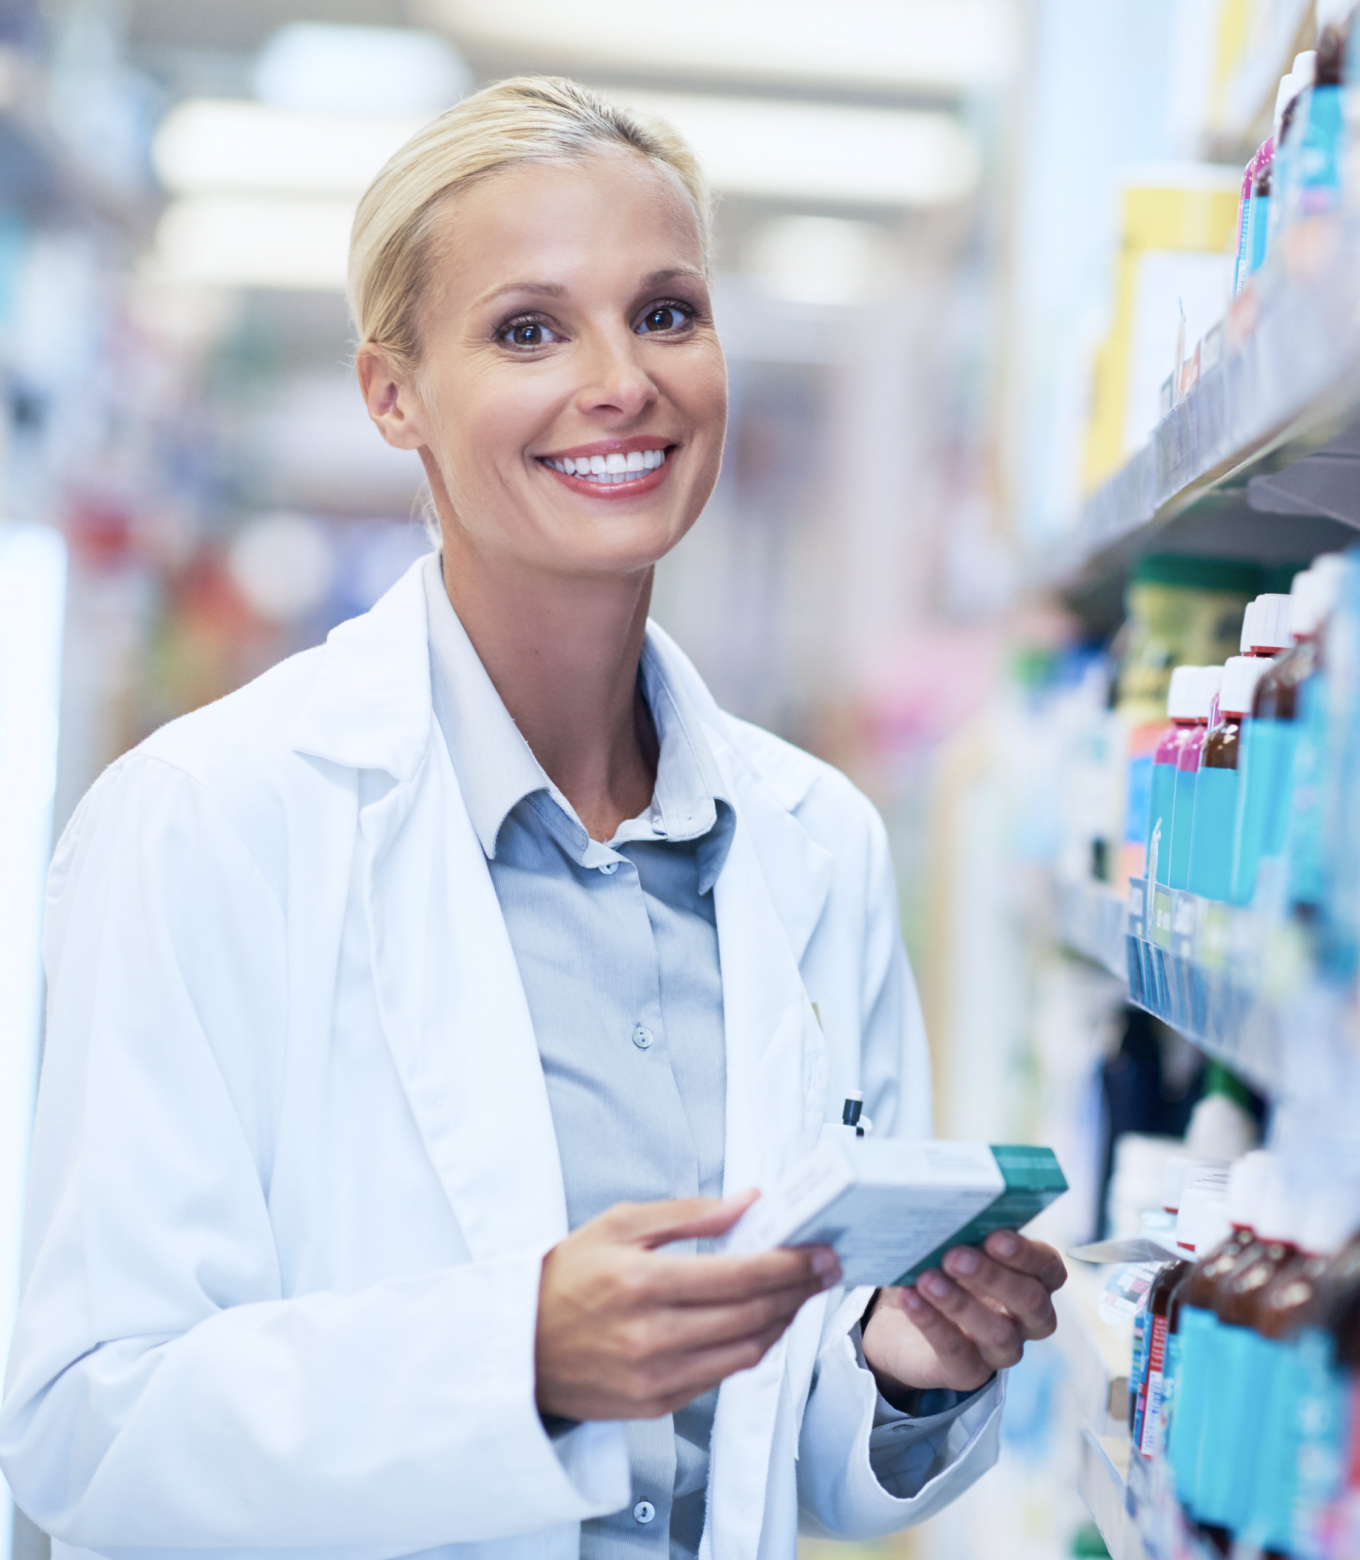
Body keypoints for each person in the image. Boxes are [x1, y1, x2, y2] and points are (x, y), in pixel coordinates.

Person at [0, 77, 1066, 1560]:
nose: (621, 380)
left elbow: (785, 1454)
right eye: (528, 329)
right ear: (393, 393)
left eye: (668, 312)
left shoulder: (813, 842)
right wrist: (521, 1360)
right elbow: (84, 1428)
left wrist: (903, 1361)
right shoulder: (206, 823)